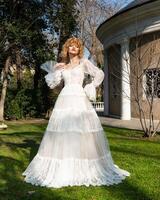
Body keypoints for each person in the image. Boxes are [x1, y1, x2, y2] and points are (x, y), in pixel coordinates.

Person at [22, 37, 130, 188]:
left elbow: (99, 74)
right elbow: (53, 84)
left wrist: (91, 85)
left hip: (79, 98)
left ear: (79, 49)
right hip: (65, 99)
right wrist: (56, 69)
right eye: (70, 46)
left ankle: (85, 164)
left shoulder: (84, 62)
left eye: (76, 46)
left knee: (82, 130)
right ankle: (64, 164)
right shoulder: (63, 66)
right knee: (63, 130)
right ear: (67, 49)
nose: (73, 48)